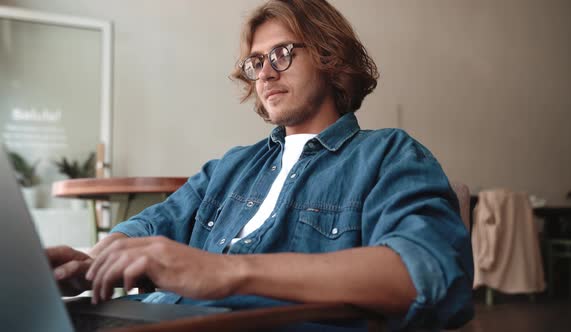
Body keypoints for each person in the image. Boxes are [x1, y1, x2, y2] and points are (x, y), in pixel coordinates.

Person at [47, 0, 474, 330]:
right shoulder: (231, 166)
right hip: (158, 317)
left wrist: (224, 272)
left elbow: (424, 276)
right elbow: (154, 224)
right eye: (256, 62)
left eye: (283, 54)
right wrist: (92, 263)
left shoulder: (387, 155)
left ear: (329, 56)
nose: (266, 74)